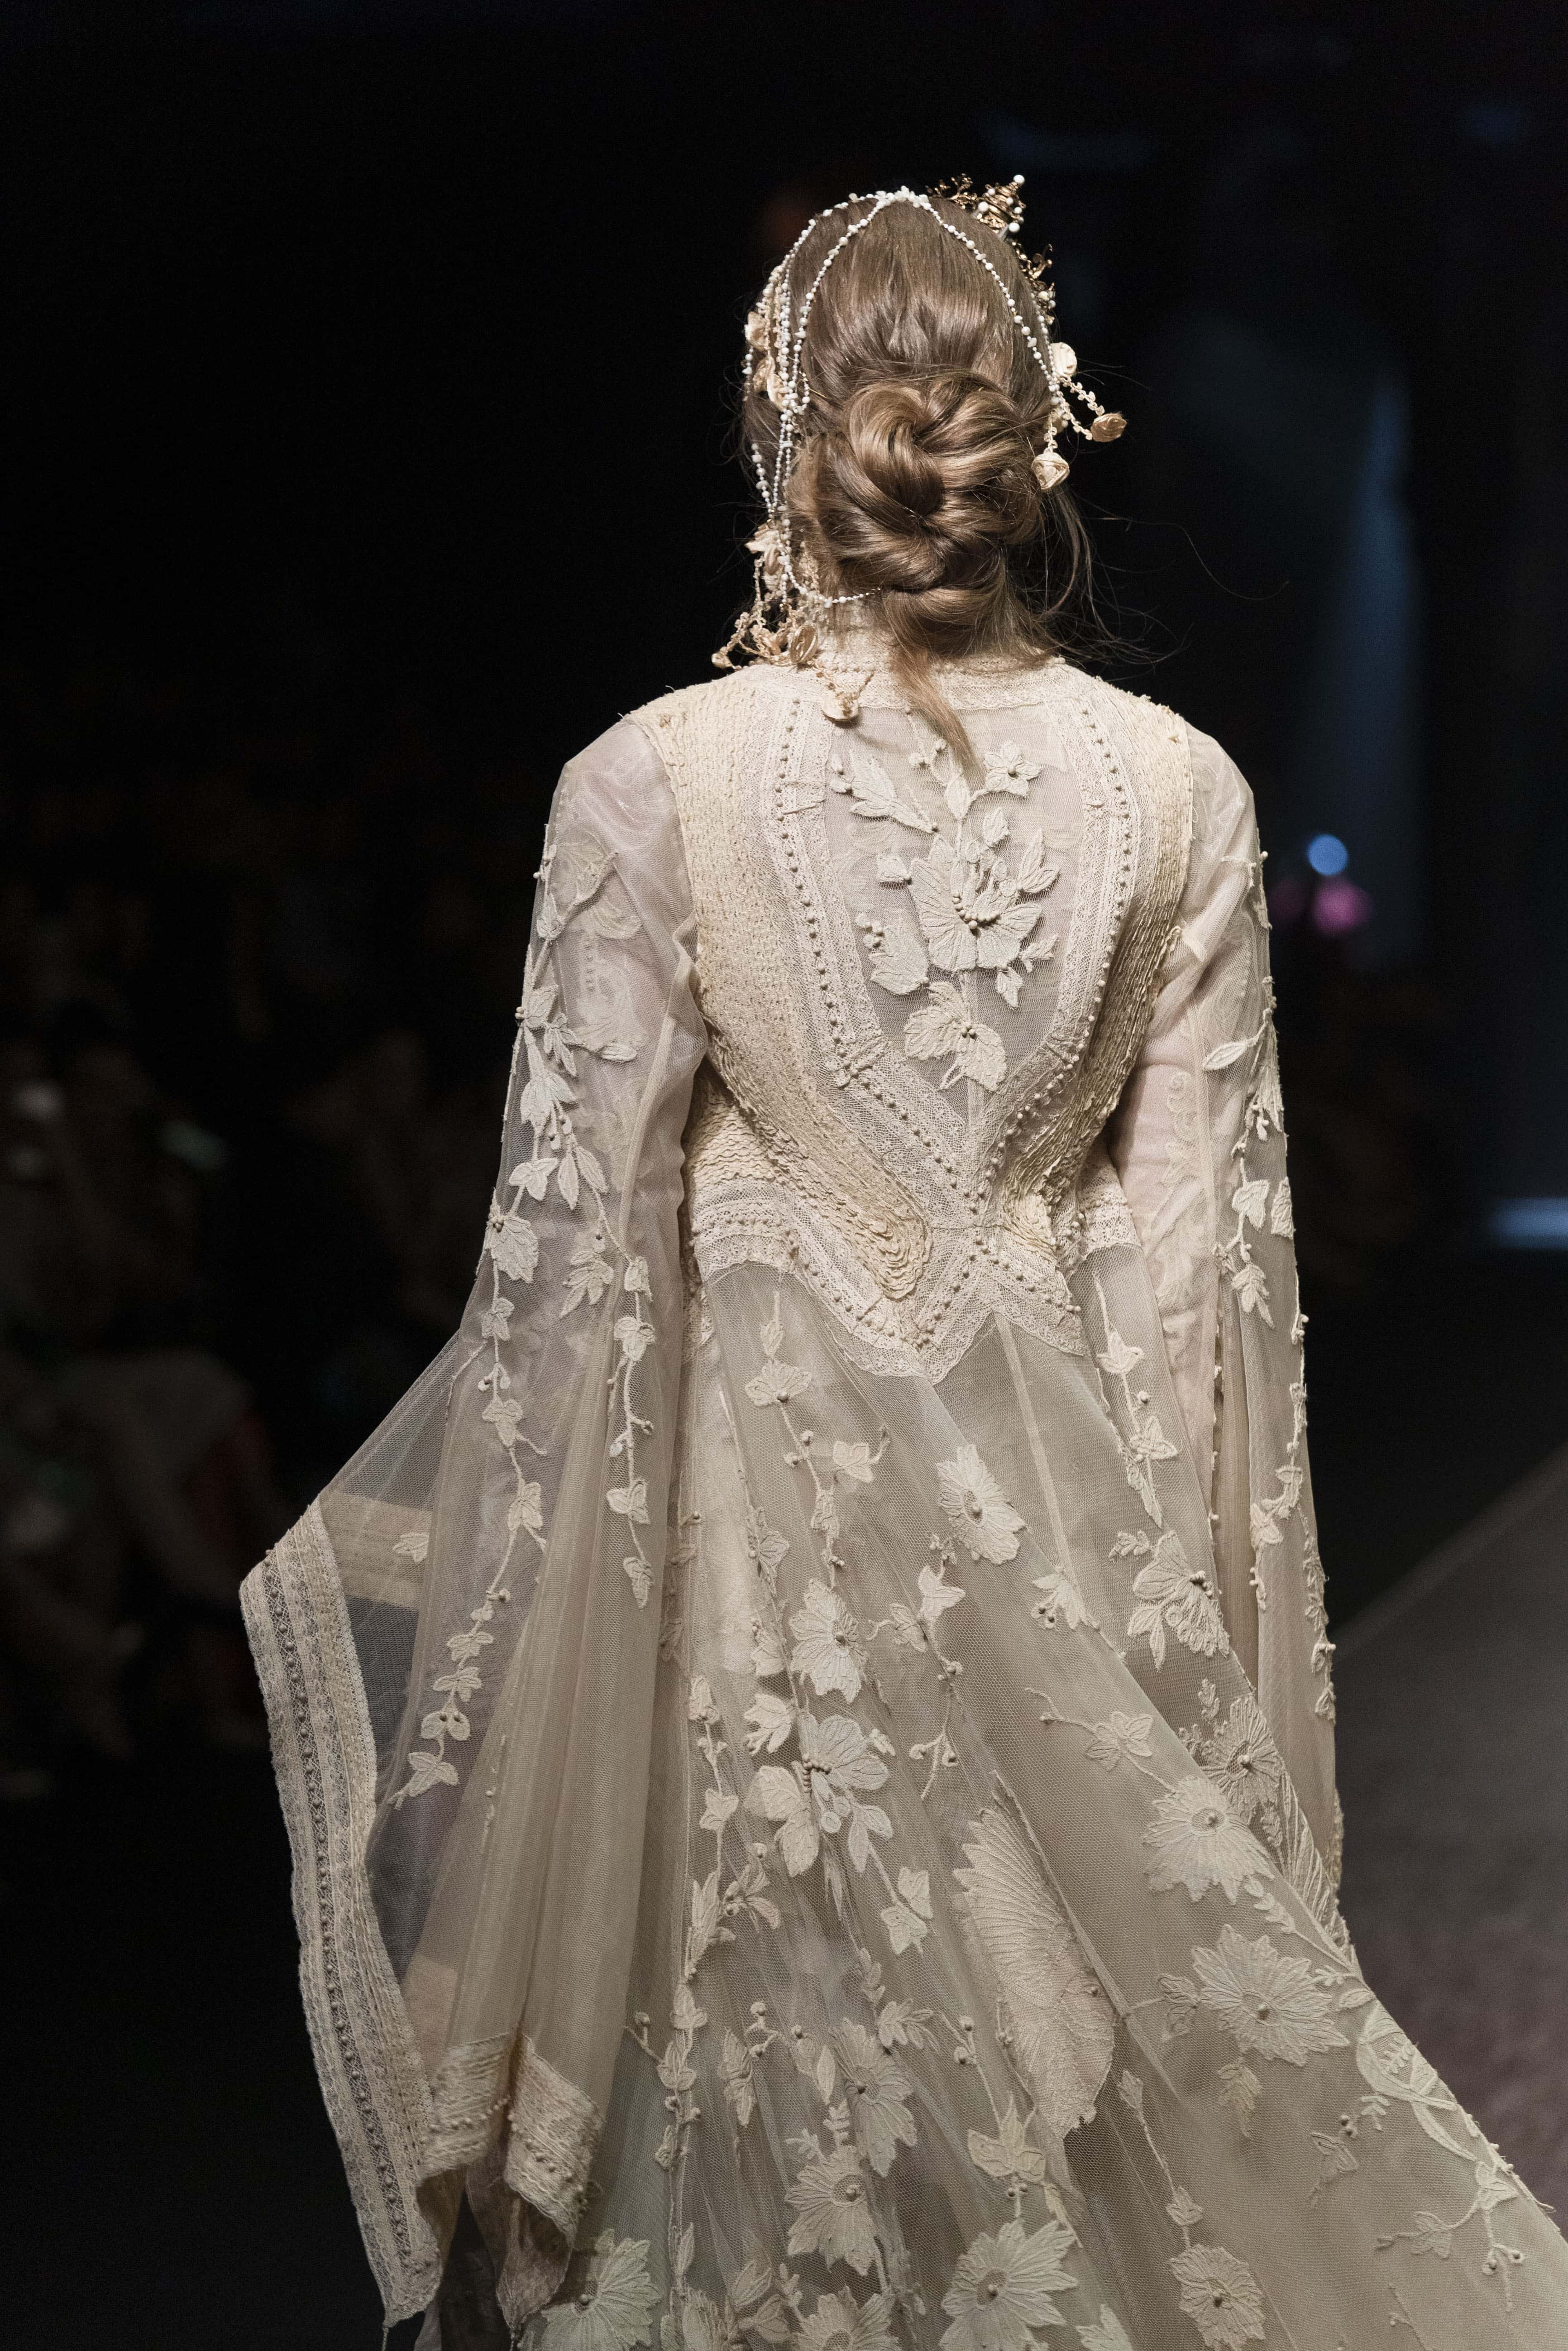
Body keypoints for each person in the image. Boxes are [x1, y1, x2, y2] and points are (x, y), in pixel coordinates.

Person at [243, 183, 1568, 2350]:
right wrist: (1219, 1758)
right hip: (1073, 1563)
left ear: (782, 429)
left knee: (763, 2200)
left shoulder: (646, 786)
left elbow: (570, 1314)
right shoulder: (1174, 793)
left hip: (740, 1599)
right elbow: (1209, 1324)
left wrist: (517, 1825)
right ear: (1033, 428)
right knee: (1096, 2189)